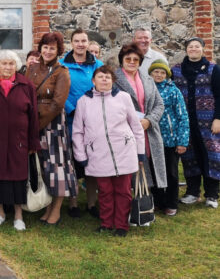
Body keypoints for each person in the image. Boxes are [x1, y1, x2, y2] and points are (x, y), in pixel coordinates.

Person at [72, 66, 146, 237]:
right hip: (97, 154)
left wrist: (139, 152)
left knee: (123, 191)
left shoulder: (124, 98)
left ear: (113, 81)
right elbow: (77, 131)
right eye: (100, 76)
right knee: (104, 191)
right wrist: (81, 155)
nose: (104, 79)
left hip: (124, 152)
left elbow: (136, 126)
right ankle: (106, 223)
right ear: (93, 80)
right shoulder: (84, 101)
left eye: (107, 77)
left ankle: (121, 225)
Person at [0, 50, 39, 231]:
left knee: (18, 177)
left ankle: (19, 215)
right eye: (4, 63)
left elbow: (33, 116)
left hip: (18, 140)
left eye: (11, 64)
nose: (8, 67)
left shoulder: (26, 85)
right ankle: (0, 212)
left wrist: (33, 141)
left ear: (16, 66)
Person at [26, 33, 77, 225]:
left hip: (52, 125)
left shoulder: (61, 71)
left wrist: (37, 126)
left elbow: (57, 103)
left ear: (58, 51)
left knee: (57, 167)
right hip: (33, 121)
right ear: (40, 49)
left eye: (52, 48)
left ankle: (56, 210)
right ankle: (46, 205)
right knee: (42, 166)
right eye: (45, 47)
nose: (48, 51)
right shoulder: (31, 69)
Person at [171, 37, 220, 208]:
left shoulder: (213, 69)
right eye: (190, 47)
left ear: (202, 49)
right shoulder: (176, 70)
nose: (193, 49)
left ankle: (212, 194)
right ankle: (192, 192)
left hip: (208, 123)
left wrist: (218, 118)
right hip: (186, 123)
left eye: (196, 46)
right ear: (186, 50)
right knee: (189, 156)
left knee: (211, 156)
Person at [59, 28, 103, 217]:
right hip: (70, 118)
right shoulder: (62, 65)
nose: (80, 44)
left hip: (93, 120)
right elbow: (59, 91)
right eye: (77, 41)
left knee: (92, 162)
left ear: (87, 43)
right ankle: (73, 202)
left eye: (84, 41)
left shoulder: (97, 64)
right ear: (71, 43)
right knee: (73, 162)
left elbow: (103, 87)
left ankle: (92, 203)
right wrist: (73, 109)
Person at [113, 43, 167, 193]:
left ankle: (147, 198)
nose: (131, 62)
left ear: (140, 62)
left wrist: (149, 120)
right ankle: (131, 199)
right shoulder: (113, 79)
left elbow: (159, 104)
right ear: (122, 60)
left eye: (135, 59)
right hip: (125, 131)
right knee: (131, 165)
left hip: (148, 129)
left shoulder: (147, 79)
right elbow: (109, 106)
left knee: (149, 162)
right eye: (128, 58)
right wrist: (130, 122)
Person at [148, 59, 189, 215]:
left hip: (170, 139)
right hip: (152, 138)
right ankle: (158, 200)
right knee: (153, 171)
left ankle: (171, 202)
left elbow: (182, 116)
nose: (159, 75)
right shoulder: (147, 89)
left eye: (162, 72)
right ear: (150, 73)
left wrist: (182, 141)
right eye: (156, 72)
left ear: (167, 75)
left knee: (171, 173)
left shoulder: (173, 90)